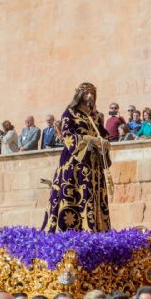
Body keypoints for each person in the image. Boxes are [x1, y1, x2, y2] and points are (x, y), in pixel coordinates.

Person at [41, 82, 112, 233]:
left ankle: (97, 231)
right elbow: (68, 136)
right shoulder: (69, 114)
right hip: (75, 163)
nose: (90, 96)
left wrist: (105, 143)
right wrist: (90, 140)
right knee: (76, 196)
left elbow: (103, 134)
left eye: (92, 93)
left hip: (94, 165)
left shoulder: (94, 117)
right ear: (79, 95)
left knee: (94, 197)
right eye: (87, 93)